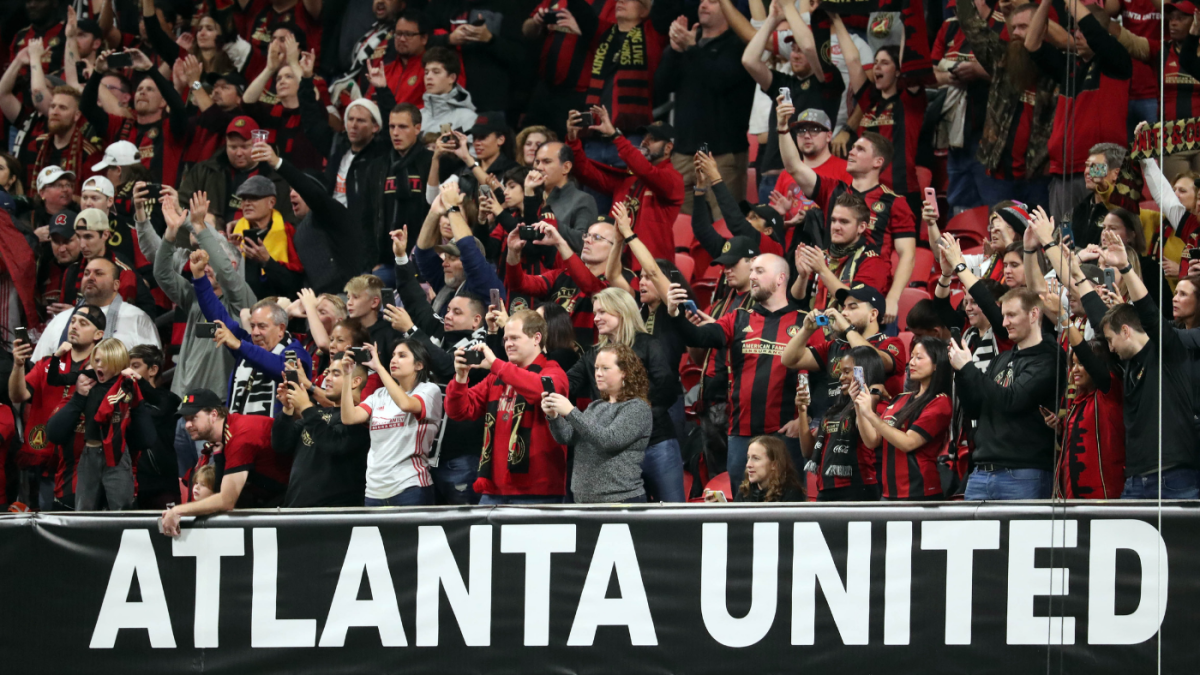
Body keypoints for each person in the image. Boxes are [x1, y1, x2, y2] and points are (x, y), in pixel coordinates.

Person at [1037, 220, 1199, 498]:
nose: (1109, 348)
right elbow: (1092, 304)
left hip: (1174, 477)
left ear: (1125, 331)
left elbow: (1147, 310)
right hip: (1135, 479)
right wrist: (1059, 256)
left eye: (1110, 340)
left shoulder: (1169, 350)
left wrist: (1125, 267)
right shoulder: (1126, 361)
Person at [670, 253, 806, 489]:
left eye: (760, 271)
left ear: (780, 278)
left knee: (787, 510)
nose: (752, 276)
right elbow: (699, 336)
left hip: (786, 435)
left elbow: (822, 377)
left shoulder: (804, 323)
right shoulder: (738, 319)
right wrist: (675, 314)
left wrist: (807, 418)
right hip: (741, 434)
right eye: (751, 270)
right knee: (742, 511)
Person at [778, 97, 917, 325]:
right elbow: (794, 166)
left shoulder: (894, 202)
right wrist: (782, 127)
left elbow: (907, 255)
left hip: (869, 296)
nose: (851, 152)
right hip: (828, 289)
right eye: (852, 148)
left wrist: (893, 297)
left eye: (860, 149)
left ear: (877, 162)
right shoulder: (834, 191)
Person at [567, 287, 683, 501]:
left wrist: (635, 418)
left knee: (672, 515)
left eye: (602, 312)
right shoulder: (593, 354)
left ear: (621, 311)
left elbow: (667, 389)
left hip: (656, 442)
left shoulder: (649, 344)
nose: (596, 318)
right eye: (595, 313)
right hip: (614, 453)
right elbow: (567, 383)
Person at [948, 285, 1062, 500]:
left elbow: (1012, 400)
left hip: (1024, 473)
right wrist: (962, 374)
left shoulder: (1049, 359)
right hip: (981, 472)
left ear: (1033, 314)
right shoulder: (1001, 359)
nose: (1004, 323)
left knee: (1023, 535)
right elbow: (974, 408)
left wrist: (969, 368)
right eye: (1003, 316)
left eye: (1011, 315)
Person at [445, 309, 569, 504]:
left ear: (536, 338)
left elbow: (540, 390)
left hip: (537, 491)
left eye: (514, 338)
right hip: (493, 489)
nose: (508, 344)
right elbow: (458, 411)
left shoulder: (553, 371)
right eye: (505, 339)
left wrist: (496, 364)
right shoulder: (496, 377)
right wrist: (461, 378)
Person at [1025, 0, 1133, 219]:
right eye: (1075, 30)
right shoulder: (1069, 67)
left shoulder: (1116, 60)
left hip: (1101, 167)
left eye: (1083, 31)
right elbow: (1031, 44)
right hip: (1065, 171)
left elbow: (1094, 31)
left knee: (1100, 231)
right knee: (1063, 240)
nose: (1078, 35)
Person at [741, 1, 848, 206]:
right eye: (793, 49)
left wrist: (789, 7)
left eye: (801, 50)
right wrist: (772, 19)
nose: (796, 54)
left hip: (804, 178)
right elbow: (749, 60)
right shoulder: (784, 82)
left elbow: (809, 45)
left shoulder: (828, 82)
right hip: (770, 180)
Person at [154, 192, 256, 400]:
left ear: (232, 265)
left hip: (219, 403)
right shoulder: (193, 296)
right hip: (184, 398)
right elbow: (162, 274)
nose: (205, 267)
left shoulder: (241, 299)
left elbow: (225, 272)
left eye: (211, 262)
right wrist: (171, 234)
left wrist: (199, 227)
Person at [956, 0, 1056, 210]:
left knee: (1038, 239)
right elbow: (972, 25)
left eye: (1024, 27)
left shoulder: (1056, 70)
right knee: (1000, 237)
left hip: (1039, 177)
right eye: (1014, 27)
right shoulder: (1002, 59)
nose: (1016, 33)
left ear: (1041, 28)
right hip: (998, 175)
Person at [657, 0, 755, 211]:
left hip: (722, 155)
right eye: (702, 1)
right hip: (684, 154)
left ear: (730, 10)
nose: (703, 5)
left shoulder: (738, 45)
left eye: (712, 2)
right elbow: (660, 88)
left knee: (726, 226)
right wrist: (674, 50)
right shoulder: (690, 43)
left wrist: (691, 48)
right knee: (680, 228)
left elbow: (718, 81)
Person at [158, 388, 294, 536]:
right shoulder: (226, 434)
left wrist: (178, 510)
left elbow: (226, 500)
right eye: (186, 420)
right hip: (277, 490)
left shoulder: (239, 438)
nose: (187, 425)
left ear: (214, 415)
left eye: (193, 418)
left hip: (294, 493)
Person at [191, 253, 312, 417]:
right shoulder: (247, 345)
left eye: (262, 326)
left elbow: (280, 369)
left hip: (273, 437)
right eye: (252, 325)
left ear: (281, 328)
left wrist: (240, 346)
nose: (255, 332)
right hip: (239, 434)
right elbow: (218, 316)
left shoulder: (296, 351)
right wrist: (199, 277)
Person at [9, 305, 103, 510]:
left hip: (82, 462)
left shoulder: (102, 367)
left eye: (83, 323)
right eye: (73, 322)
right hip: (43, 457)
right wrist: (17, 365)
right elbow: (18, 395)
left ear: (99, 334)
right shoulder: (48, 363)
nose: (74, 326)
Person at [566, 111, 683, 262]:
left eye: (652, 139)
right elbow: (586, 173)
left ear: (668, 148)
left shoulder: (673, 180)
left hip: (649, 268)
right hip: (617, 261)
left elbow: (647, 172)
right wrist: (573, 140)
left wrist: (615, 137)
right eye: (644, 137)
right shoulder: (630, 178)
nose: (644, 142)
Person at [545, 342, 652, 503]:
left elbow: (609, 440)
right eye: (596, 368)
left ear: (624, 372)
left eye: (605, 368)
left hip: (620, 500)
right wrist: (554, 417)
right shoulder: (595, 406)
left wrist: (571, 412)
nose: (598, 374)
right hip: (583, 500)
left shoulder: (637, 408)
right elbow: (567, 437)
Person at [44, 337, 144, 511]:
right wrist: (56, 357)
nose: (98, 366)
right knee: (83, 513)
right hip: (88, 455)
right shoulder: (84, 386)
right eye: (95, 360)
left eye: (103, 361)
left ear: (116, 363)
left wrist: (139, 382)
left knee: (121, 512)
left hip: (117, 455)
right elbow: (54, 380)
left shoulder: (127, 387)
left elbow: (146, 433)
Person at [338, 340, 442, 506]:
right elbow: (348, 417)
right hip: (374, 490)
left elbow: (406, 404)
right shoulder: (379, 394)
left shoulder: (429, 390)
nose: (394, 360)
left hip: (410, 487)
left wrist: (379, 368)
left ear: (419, 365)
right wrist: (347, 375)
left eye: (402, 356)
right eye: (393, 355)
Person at [856, 336, 953, 501]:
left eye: (919, 357)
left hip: (919, 493)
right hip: (888, 494)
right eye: (912, 357)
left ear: (937, 364)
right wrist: (859, 406)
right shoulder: (900, 399)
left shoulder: (940, 402)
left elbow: (908, 443)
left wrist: (871, 415)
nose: (912, 363)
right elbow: (872, 441)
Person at [80, 49, 188, 187]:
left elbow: (178, 108)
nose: (142, 92)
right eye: (139, 89)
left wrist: (150, 68)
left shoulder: (170, 128)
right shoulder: (121, 125)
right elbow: (86, 107)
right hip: (120, 203)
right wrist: (97, 72)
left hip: (158, 203)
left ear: (163, 102)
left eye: (150, 90)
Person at [797, 345, 887, 501]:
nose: (840, 378)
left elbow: (871, 441)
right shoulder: (833, 411)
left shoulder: (879, 406)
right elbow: (808, 451)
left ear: (863, 372)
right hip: (825, 489)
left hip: (858, 489)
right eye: (840, 373)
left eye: (847, 372)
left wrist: (860, 402)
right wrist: (802, 410)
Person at [1044, 329, 1126, 499]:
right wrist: (1059, 430)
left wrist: (1065, 321)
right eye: (1072, 364)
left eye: (1081, 364)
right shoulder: (1078, 402)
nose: (1074, 370)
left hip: (1102, 496)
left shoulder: (1109, 392)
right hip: (1072, 495)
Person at [506, 220, 616, 346]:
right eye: (587, 235)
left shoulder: (617, 282)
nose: (587, 240)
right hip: (551, 355)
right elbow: (518, 284)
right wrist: (513, 251)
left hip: (589, 360)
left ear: (616, 248)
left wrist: (560, 243)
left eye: (597, 237)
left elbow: (589, 285)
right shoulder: (561, 275)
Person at [840, 44, 925, 201]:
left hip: (900, 190)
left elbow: (912, 61)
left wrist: (908, 20)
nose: (877, 67)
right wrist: (837, 21)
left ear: (898, 71)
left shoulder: (909, 102)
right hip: (866, 190)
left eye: (885, 63)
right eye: (876, 62)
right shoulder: (868, 102)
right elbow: (852, 61)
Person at [32, 258, 161, 361]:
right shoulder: (62, 319)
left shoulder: (137, 318)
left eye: (98, 273)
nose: (90, 277)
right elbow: (38, 367)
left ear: (116, 284)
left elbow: (151, 370)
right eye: (87, 273)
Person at [178, 116, 295, 225]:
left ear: (258, 144)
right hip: (211, 237)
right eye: (233, 147)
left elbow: (288, 220)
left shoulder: (277, 179)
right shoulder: (205, 171)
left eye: (245, 147)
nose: (238, 153)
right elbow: (182, 204)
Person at [792, 192, 891, 310]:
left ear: (861, 227)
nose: (836, 227)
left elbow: (856, 304)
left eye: (844, 222)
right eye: (833, 220)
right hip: (814, 325)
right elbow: (796, 300)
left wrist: (823, 270)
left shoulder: (873, 261)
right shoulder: (822, 256)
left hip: (850, 327)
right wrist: (803, 276)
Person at [423, 0, 523, 116]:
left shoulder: (506, 5)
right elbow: (420, 41)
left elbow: (518, 55)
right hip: (445, 97)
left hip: (489, 101)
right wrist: (449, 39)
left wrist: (490, 39)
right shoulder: (440, 5)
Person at [519, 2, 598, 138]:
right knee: (529, 138)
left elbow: (614, 43)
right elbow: (527, 30)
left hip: (580, 95)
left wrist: (582, 28)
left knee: (569, 144)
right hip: (545, 87)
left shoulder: (605, 4)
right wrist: (536, 22)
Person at [370, 102, 433, 268]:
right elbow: (367, 216)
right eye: (392, 127)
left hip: (423, 259)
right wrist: (372, 261)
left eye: (403, 127)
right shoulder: (377, 166)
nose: (396, 133)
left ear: (417, 128)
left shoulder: (431, 162)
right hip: (385, 261)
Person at [229, 175, 305, 299]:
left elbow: (295, 284)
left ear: (271, 202)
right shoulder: (233, 234)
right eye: (243, 198)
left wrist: (268, 262)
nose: (246, 203)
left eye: (253, 198)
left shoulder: (289, 233)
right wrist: (232, 257)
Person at [125, 344, 181, 510]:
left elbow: (157, 407)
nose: (129, 371)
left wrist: (139, 381)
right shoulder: (122, 401)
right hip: (131, 484)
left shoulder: (170, 400)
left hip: (161, 485)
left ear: (153, 369)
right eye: (126, 367)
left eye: (135, 366)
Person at [526, 141, 599, 252]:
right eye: (537, 162)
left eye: (546, 162)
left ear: (566, 167)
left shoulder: (582, 200)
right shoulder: (531, 197)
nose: (539, 167)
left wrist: (551, 223)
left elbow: (582, 242)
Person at [419, 46, 478, 138]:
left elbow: (471, 152)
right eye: (426, 72)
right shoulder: (417, 117)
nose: (428, 77)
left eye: (436, 72)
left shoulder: (467, 118)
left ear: (452, 78)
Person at [731, 435, 805, 503]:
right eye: (748, 458)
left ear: (774, 465)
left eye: (756, 458)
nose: (748, 465)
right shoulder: (744, 492)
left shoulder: (792, 494)